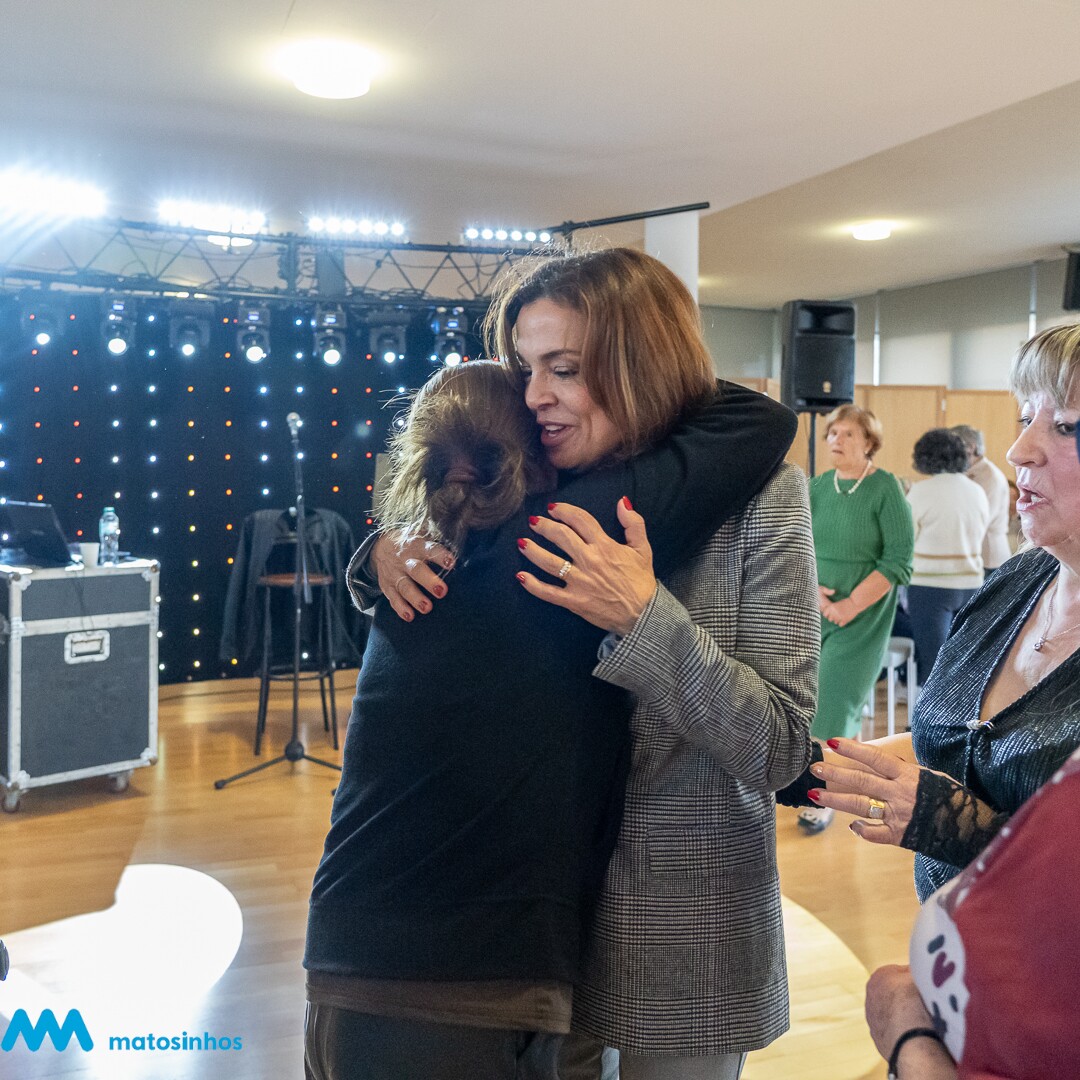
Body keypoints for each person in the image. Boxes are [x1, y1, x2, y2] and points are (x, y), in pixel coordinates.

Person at [309, 248, 816, 1080]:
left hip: (673, 924)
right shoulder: (528, 479)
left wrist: (645, 622)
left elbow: (782, 747)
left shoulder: (762, 496)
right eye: (526, 369)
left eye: (564, 369)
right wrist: (381, 553)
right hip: (523, 934)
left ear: (640, 362)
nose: (533, 395)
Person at [794, 322, 1080, 901]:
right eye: (1026, 417)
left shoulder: (892, 493)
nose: (1018, 450)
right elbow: (948, 745)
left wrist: (949, 824)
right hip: (951, 949)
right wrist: (796, 769)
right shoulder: (1013, 585)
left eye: (1067, 426)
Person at [796, 403, 913, 834]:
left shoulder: (885, 487)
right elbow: (796, 542)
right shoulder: (817, 487)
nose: (836, 440)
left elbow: (898, 560)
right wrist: (813, 589)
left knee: (832, 703)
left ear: (869, 442)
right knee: (804, 696)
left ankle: (821, 795)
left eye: (848, 434)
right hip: (813, 608)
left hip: (862, 615)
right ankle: (810, 779)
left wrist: (848, 606)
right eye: (832, 433)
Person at [905, 428, 989, 684]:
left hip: (929, 587)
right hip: (972, 584)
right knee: (966, 660)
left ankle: (929, 710)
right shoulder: (977, 491)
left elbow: (907, 539)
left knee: (934, 664)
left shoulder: (920, 492)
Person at [951, 423, 1013, 576]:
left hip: (989, 558)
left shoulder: (990, 476)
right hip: (973, 555)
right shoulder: (966, 473)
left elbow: (981, 519)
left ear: (971, 448)